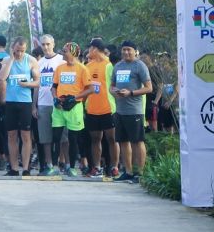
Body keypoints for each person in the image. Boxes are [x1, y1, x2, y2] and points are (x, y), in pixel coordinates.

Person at [111, 40, 153, 183]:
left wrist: (131, 92)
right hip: (120, 110)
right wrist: (114, 91)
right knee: (123, 141)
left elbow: (149, 88)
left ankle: (139, 173)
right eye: (124, 50)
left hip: (135, 111)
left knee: (137, 141)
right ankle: (128, 172)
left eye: (129, 50)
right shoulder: (117, 66)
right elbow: (111, 86)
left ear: (135, 51)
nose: (126, 52)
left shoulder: (139, 66)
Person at [51, 42, 94, 176]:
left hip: (74, 107)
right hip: (59, 107)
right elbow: (54, 86)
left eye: (65, 51)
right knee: (56, 137)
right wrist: (55, 97)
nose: (63, 53)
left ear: (73, 53)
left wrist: (75, 97)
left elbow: (91, 89)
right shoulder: (60, 68)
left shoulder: (82, 69)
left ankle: (71, 167)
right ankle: (53, 166)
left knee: (73, 138)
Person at [0, 36, 40, 176]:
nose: (19, 54)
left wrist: (27, 84)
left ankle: (26, 168)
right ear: (13, 48)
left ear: (26, 49)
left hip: (25, 103)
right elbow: (2, 77)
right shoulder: (6, 60)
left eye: (22, 51)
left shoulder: (31, 60)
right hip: (11, 102)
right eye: (17, 50)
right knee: (11, 135)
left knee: (26, 135)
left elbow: (38, 82)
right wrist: (11, 58)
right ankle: (14, 167)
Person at [85, 38, 118, 178]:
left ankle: (114, 167)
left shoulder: (109, 65)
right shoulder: (88, 66)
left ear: (95, 49)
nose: (88, 52)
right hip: (92, 109)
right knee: (95, 139)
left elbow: (115, 87)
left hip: (108, 109)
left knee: (112, 139)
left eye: (90, 49)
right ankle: (97, 167)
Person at [34, 34, 66, 176]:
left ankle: (65, 163)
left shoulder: (61, 61)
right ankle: (49, 164)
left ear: (53, 44)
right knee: (45, 137)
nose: (46, 47)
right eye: (43, 44)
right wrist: (33, 106)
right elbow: (36, 86)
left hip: (59, 104)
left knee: (63, 136)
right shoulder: (38, 63)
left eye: (48, 44)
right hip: (43, 104)